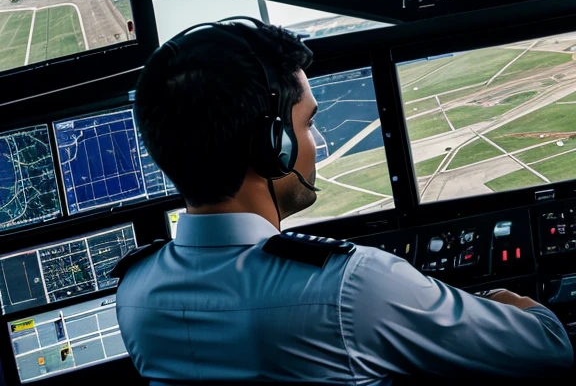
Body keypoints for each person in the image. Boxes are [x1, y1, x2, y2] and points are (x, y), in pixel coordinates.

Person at [114, 19, 573, 383]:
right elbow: (548, 349)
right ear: (273, 148)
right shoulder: (353, 287)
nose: (317, 142)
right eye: (308, 124)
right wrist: (498, 299)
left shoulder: (135, 295)